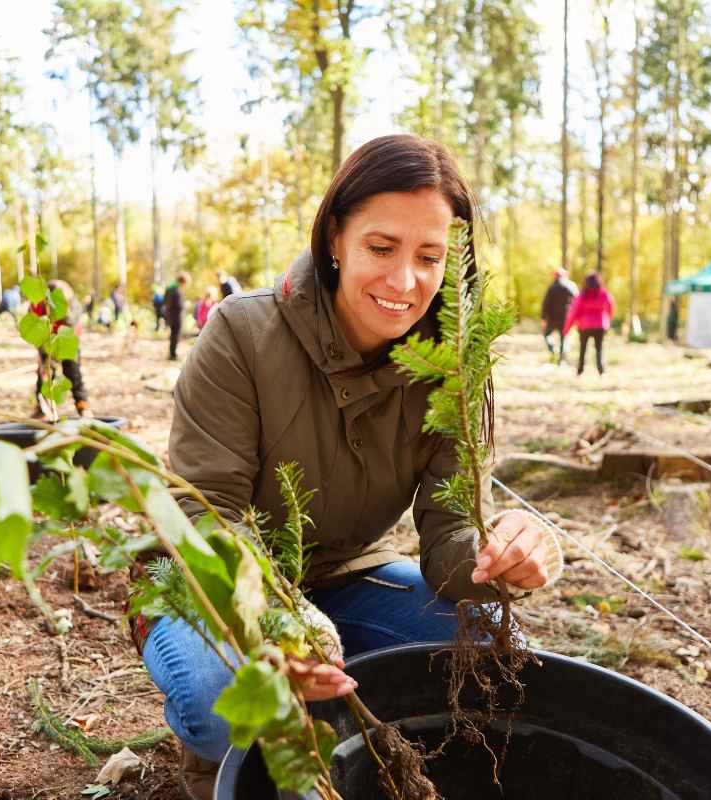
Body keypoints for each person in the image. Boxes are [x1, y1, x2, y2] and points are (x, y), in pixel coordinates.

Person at [138, 134, 564, 799]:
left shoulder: (452, 368)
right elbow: (205, 515)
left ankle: (369, 742)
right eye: (381, 248)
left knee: (492, 649)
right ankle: (212, 755)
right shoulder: (242, 336)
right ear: (335, 236)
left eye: (430, 257)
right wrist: (281, 619)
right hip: (212, 585)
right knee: (222, 695)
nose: (404, 282)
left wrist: (497, 554)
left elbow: (448, 537)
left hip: (342, 576)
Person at [31, 278, 92, 418]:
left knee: (73, 372)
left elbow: (72, 328)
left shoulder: (73, 306)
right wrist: (43, 353)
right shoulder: (38, 305)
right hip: (46, 339)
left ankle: (83, 405)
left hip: (68, 339)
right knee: (44, 375)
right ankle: (42, 407)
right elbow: (34, 329)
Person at [563, 271, 615, 376]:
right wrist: (608, 319)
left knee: (583, 348)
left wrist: (566, 329)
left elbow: (573, 312)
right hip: (600, 325)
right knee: (599, 348)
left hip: (584, 325)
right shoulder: (603, 293)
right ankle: (601, 371)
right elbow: (610, 306)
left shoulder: (582, 295)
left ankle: (580, 371)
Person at [540, 268, 577, 363]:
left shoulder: (551, 287)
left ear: (556, 276)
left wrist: (543, 318)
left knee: (547, 334)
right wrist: (575, 317)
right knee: (563, 338)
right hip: (565, 317)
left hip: (552, 317)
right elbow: (577, 301)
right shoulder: (570, 287)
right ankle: (561, 358)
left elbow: (545, 304)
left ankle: (552, 350)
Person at [163, 272, 188, 360]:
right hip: (177, 317)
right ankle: (173, 354)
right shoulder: (177, 290)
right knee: (175, 335)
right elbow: (179, 305)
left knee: (173, 335)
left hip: (170, 315)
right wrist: (185, 305)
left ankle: (171, 352)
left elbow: (164, 301)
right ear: (183, 282)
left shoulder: (169, 288)